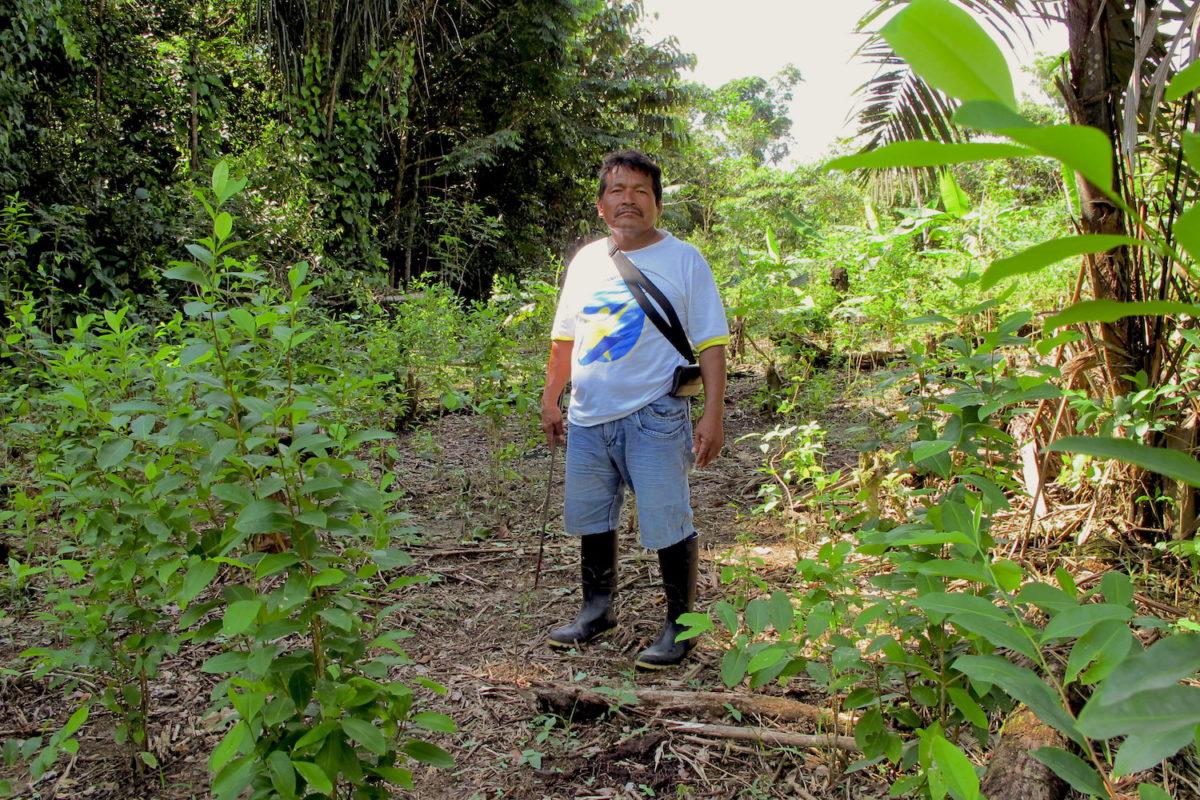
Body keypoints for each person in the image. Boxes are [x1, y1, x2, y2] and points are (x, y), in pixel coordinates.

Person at [540, 149, 729, 669]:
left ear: (657, 204)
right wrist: (551, 397)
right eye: (618, 191)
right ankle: (596, 610)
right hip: (587, 417)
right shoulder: (585, 261)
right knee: (592, 517)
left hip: (654, 414)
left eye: (641, 191)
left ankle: (681, 627)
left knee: (668, 519)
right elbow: (565, 338)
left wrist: (713, 414)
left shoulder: (684, 259)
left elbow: (712, 344)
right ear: (601, 205)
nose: (629, 200)